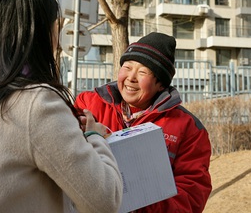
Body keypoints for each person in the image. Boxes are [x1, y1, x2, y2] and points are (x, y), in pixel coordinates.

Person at [0, 0, 123, 213]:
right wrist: (95, 136)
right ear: (41, 35)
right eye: (56, 28)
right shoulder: (35, 103)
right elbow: (104, 200)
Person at [75, 32, 212, 213]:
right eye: (127, 67)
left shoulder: (189, 129)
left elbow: (190, 198)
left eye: (142, 72)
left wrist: (139, 203)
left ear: (161, 84)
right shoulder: (89, 104)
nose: (131, 77)